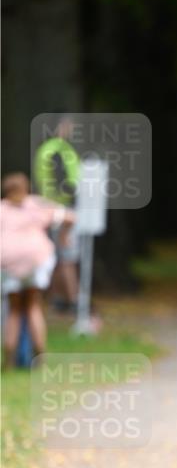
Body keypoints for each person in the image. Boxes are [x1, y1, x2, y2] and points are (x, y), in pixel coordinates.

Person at [0, 172, 75, 366]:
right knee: (33, 306)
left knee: (14, 310)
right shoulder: (36, 204)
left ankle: (8, 360)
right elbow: (69, 217)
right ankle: (40, 356)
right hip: (35, 259)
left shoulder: (2, 209)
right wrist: (63, 237)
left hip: (8, 261)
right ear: (26, 188)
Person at [33, 116, 81, 312]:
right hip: (61, 209)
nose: (72, 128)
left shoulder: (45, 149)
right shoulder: (58, 150)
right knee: (66, 256)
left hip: (48, 207)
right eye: (70, 124)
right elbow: (64, 182)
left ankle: (57, 299)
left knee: (55, 256)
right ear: (60, 126)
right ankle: (73, 301)